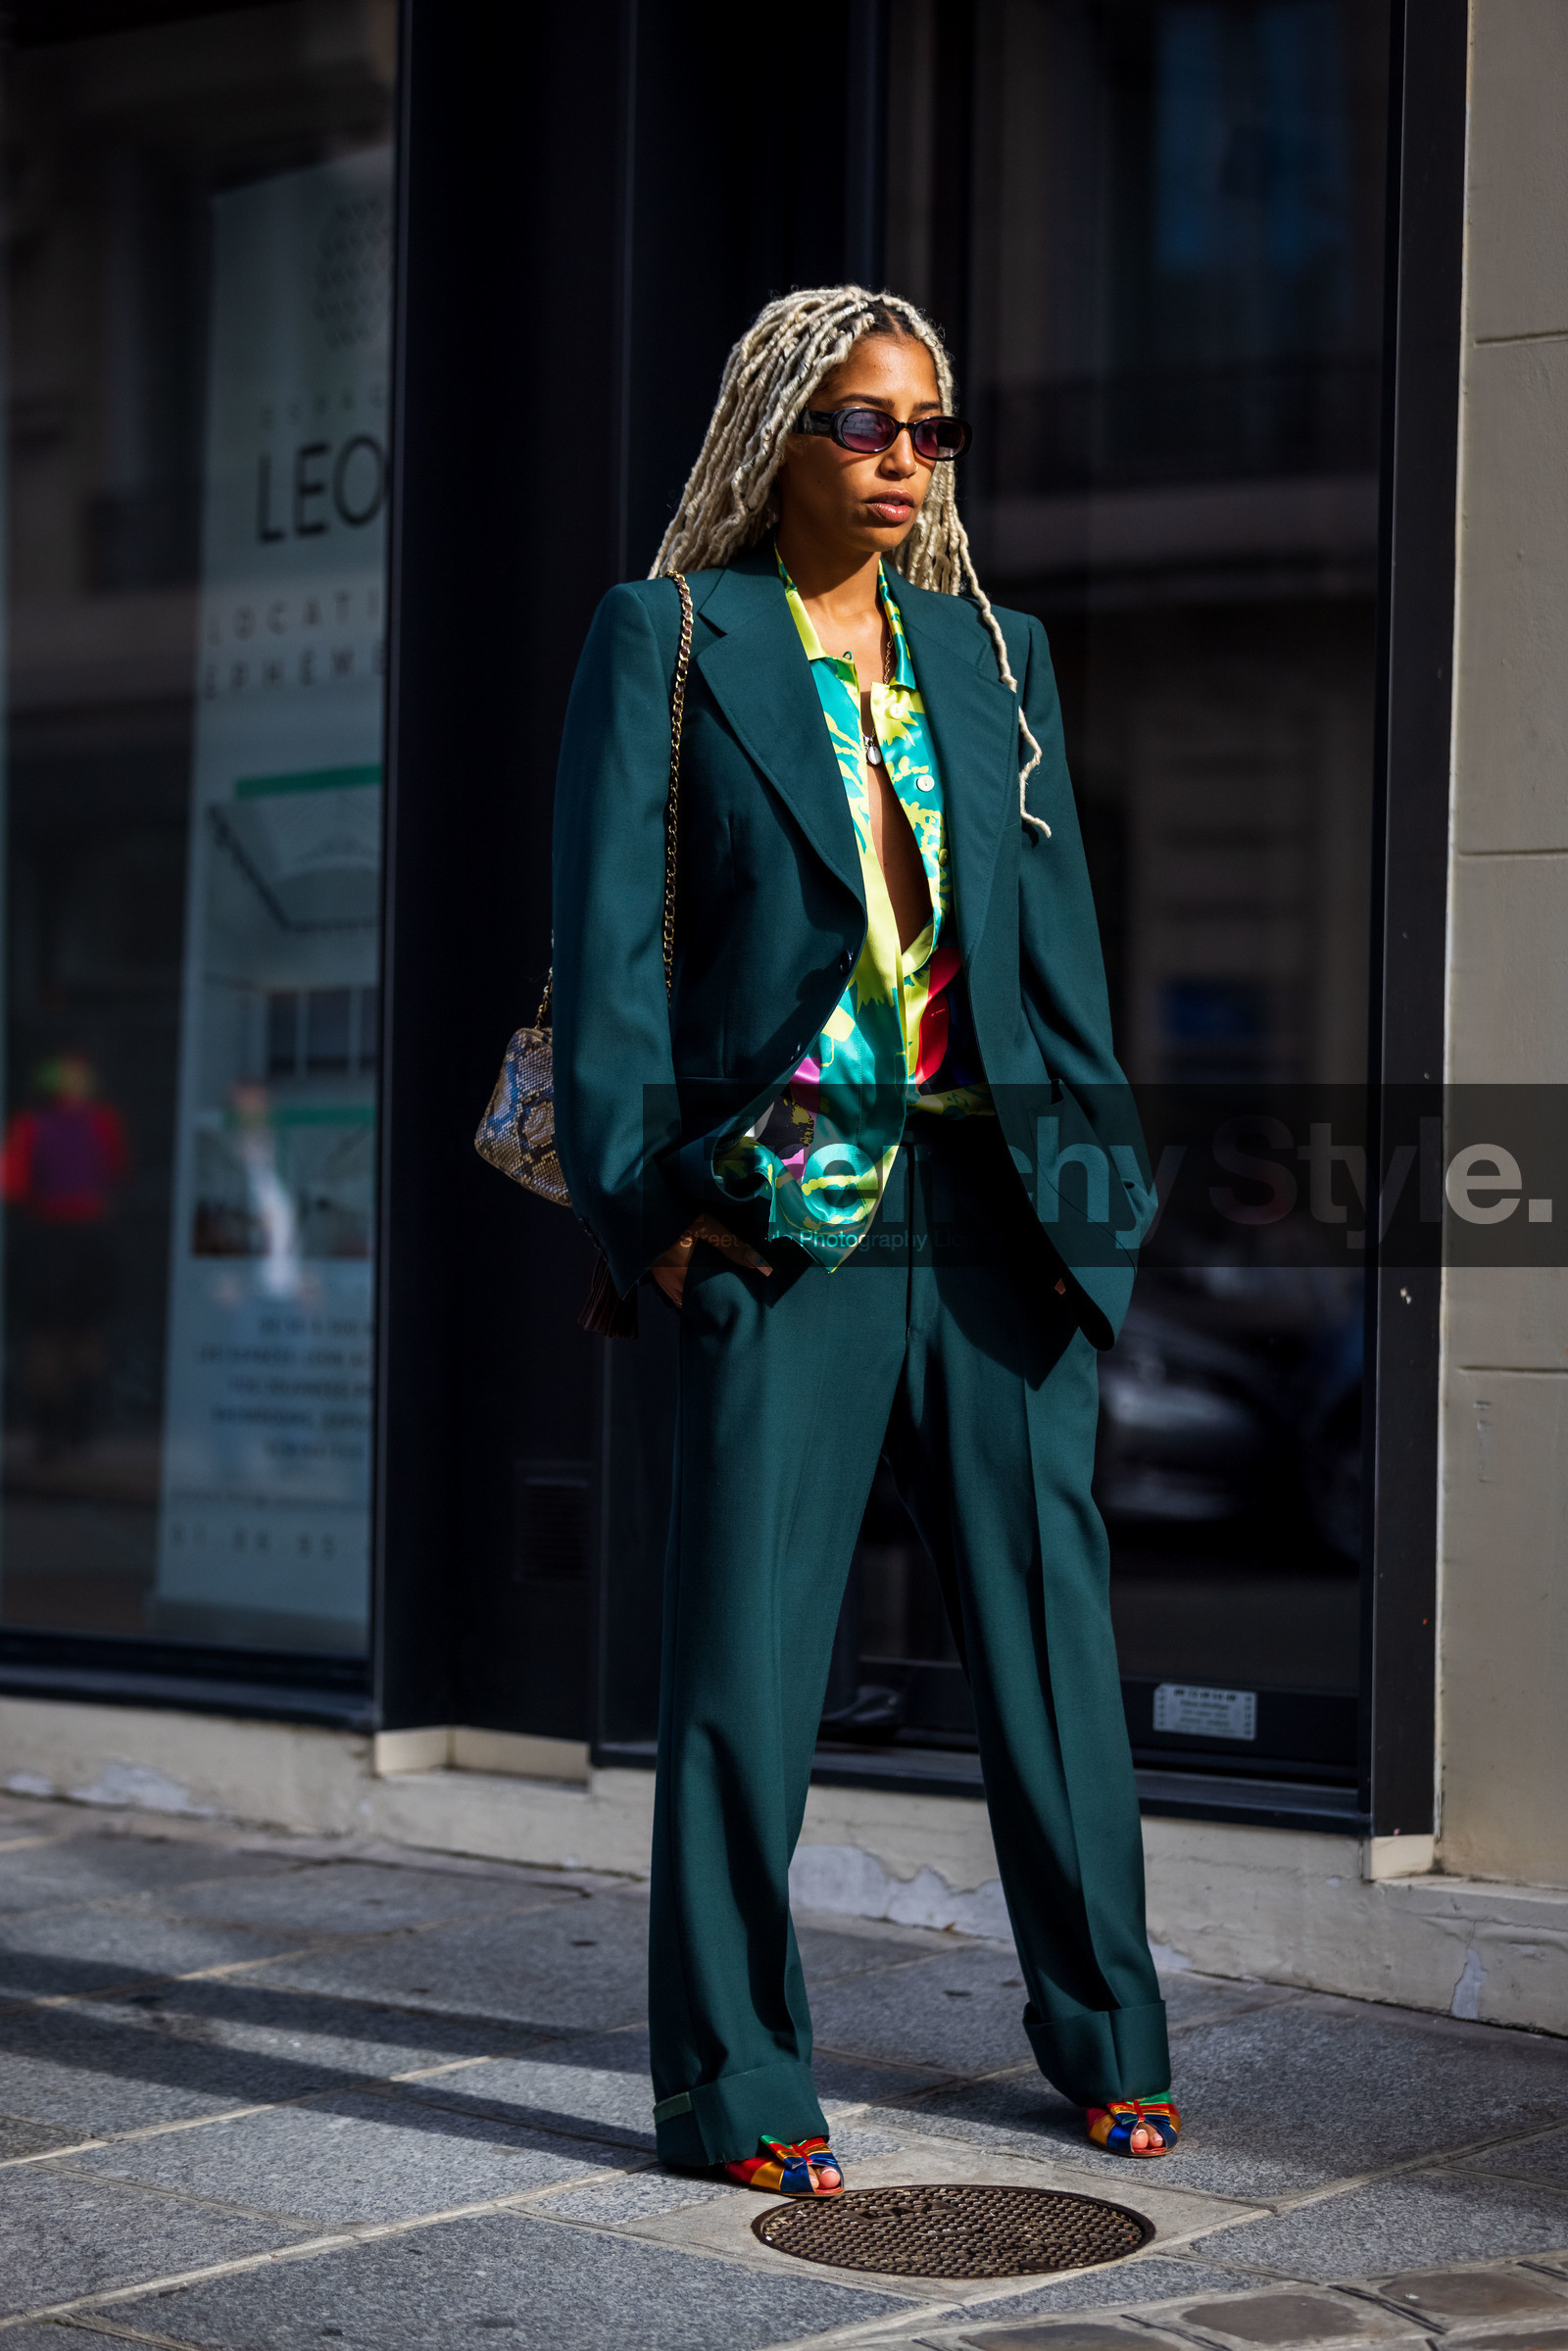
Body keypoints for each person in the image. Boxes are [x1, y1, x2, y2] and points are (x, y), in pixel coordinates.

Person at [551, 286, 1178, 2196]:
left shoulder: (994, 654)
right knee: (744, 1672)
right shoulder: (672, 637)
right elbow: (609, 954)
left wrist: (1099, 1209)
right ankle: (735, 2082)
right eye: (863, 422)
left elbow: (1057, 959)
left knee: (1053, 1653)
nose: (904, 459)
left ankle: (1110, 2037)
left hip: (998, 1212)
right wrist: (648, 1215)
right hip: (780, 1210)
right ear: (777, 434)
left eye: (930, 428)